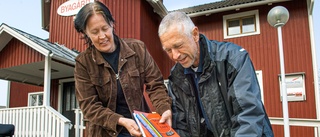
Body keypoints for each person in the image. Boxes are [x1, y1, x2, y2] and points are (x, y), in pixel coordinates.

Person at [158, 11, 274, 137]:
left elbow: (248, 116)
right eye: (168, 50)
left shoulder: (233, 59)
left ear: (195, 35)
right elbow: (181, 126)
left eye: (178, 45)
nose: (175, 56)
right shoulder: (176, 76)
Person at [73, 1, 172, 137]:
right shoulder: (83, 63)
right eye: (94, 32)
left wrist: (164, 109)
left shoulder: (138, 49)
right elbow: (89, 106)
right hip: (104, 133)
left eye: (105, 28)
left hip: (140, 129)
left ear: (112, 24)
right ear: (86, 32)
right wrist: (120, 121)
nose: (102, 36)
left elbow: (156, 85)